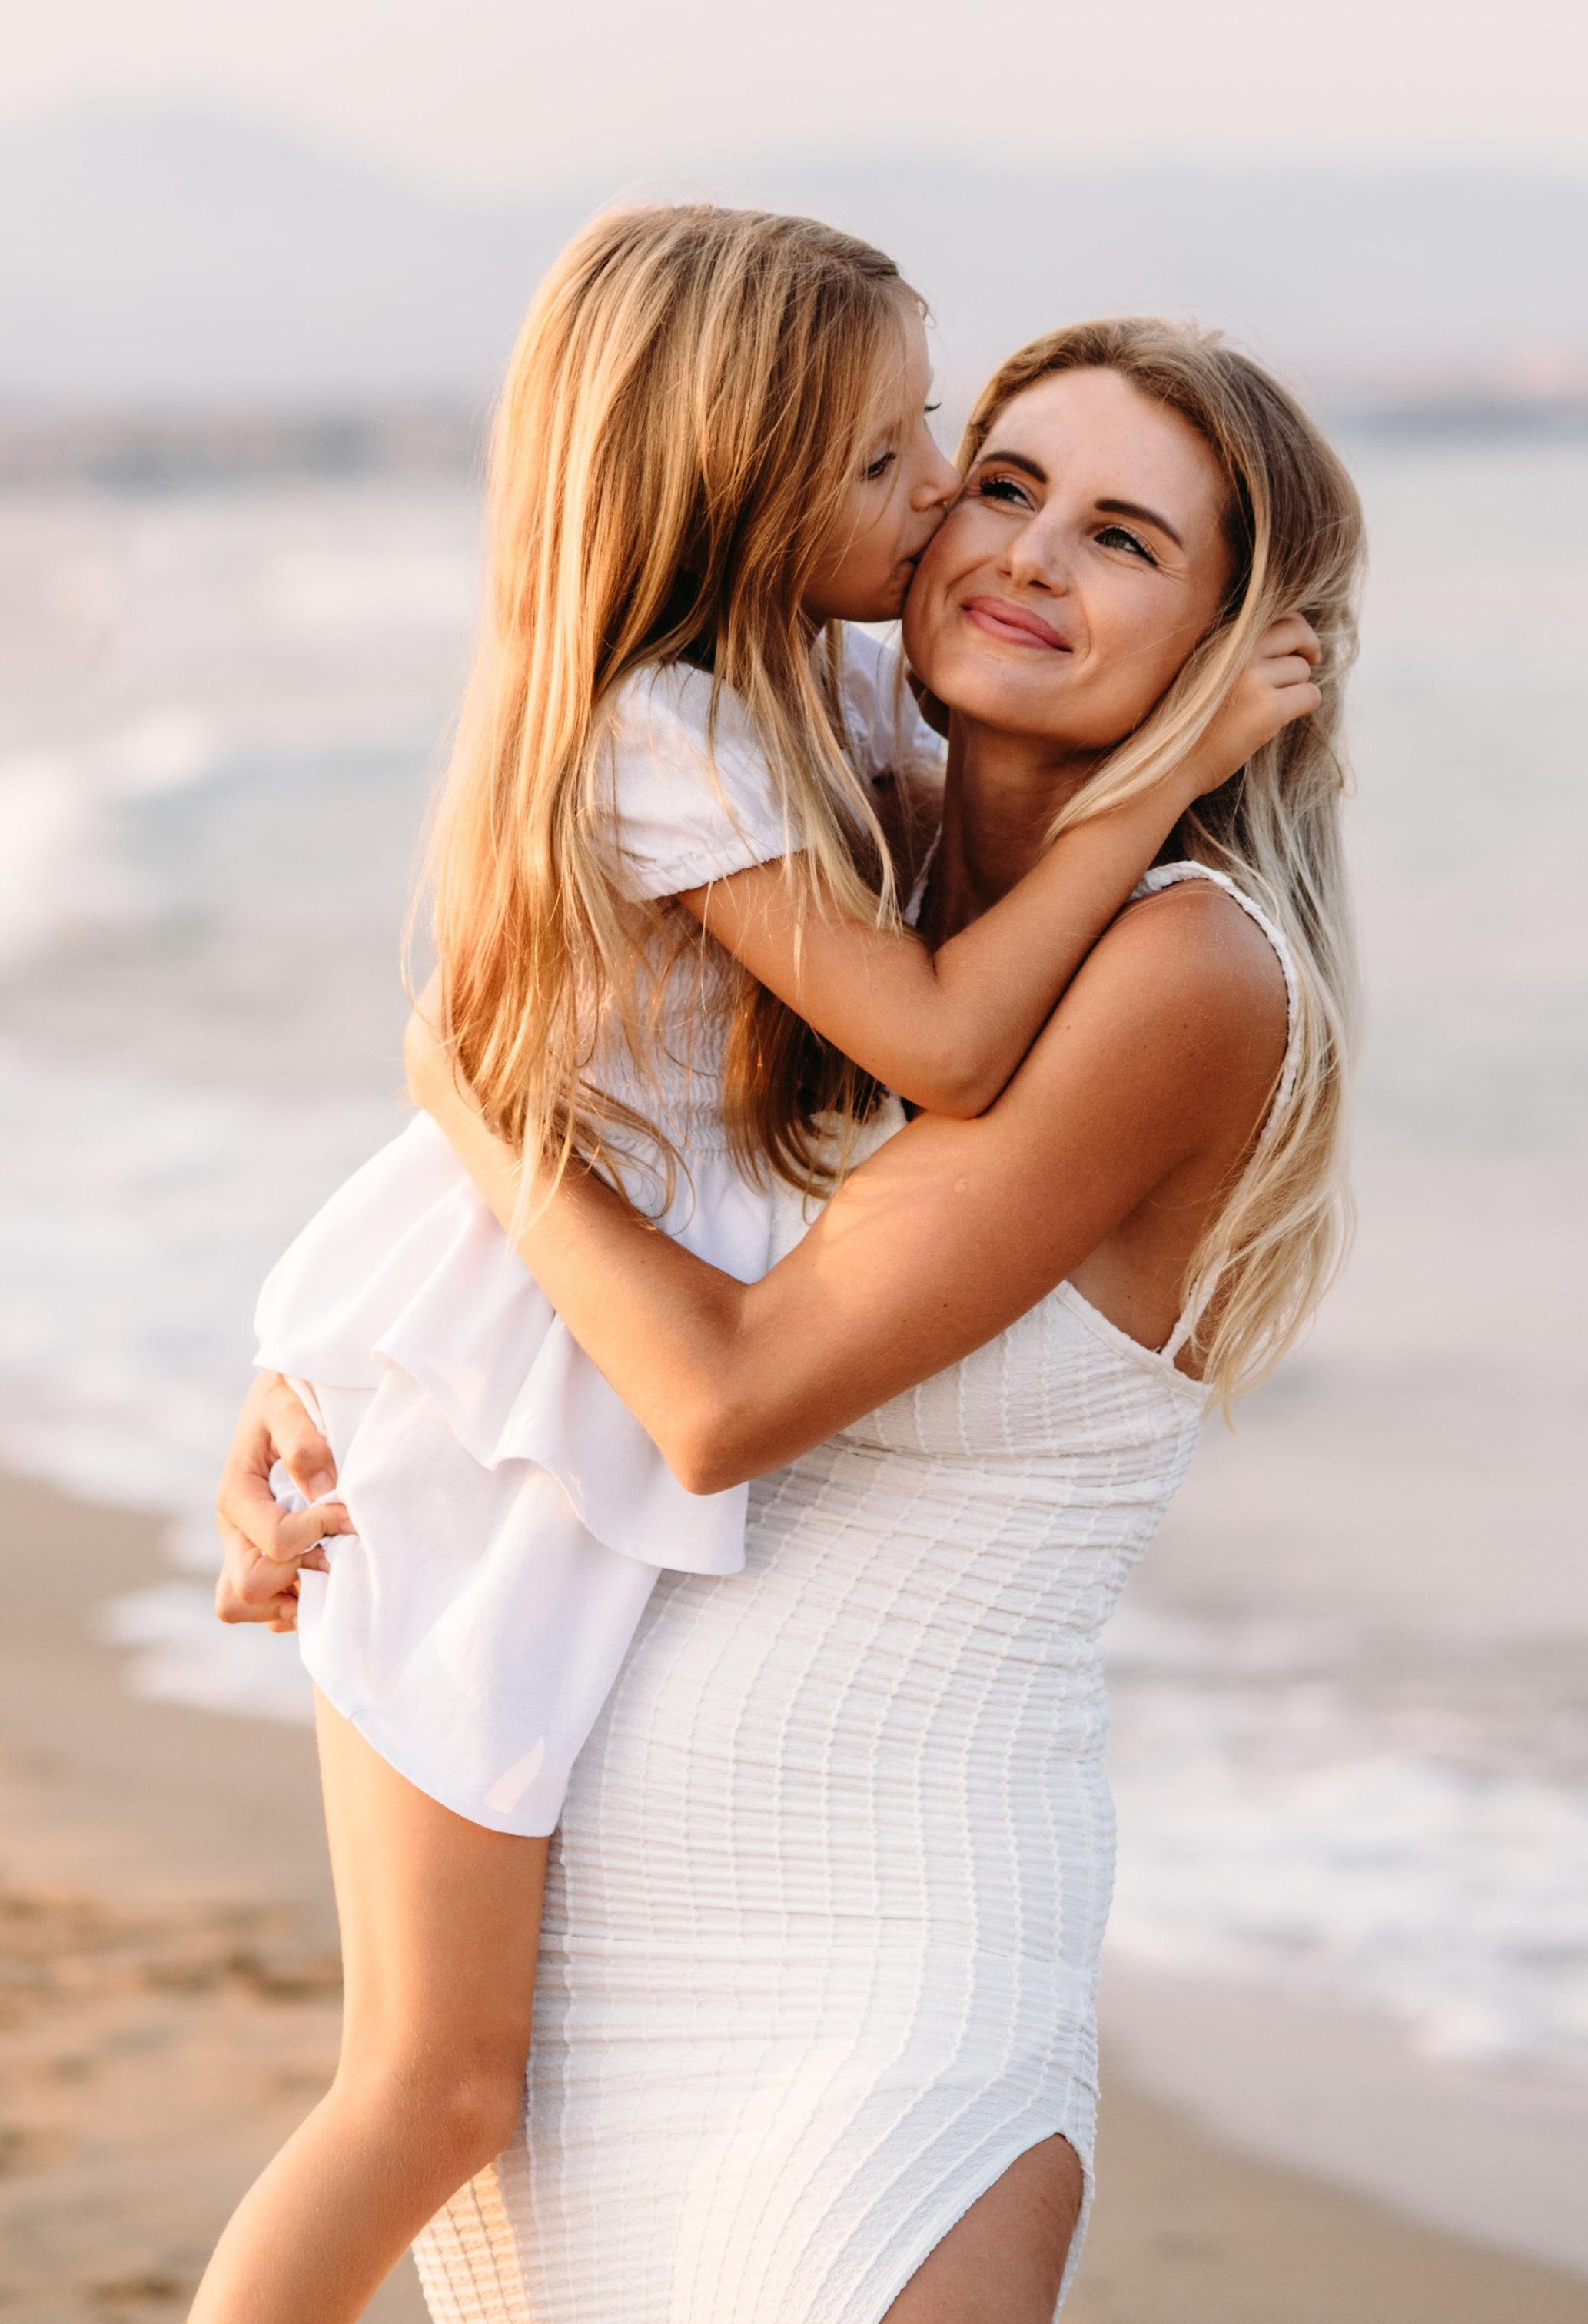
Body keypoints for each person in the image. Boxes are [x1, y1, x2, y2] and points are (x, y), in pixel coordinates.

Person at [195, 214, 1318, 2324]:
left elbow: (690, 1338)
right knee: (412, 2098)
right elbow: (606, 1102)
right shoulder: (791, 758)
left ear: (1228, 631)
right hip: (603, 1897)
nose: (1003, 550)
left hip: (882, 1935)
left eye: (1124, 539)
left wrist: (463, 1108)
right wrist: (314, 1353)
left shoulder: (1141, 946)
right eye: (985, 480)